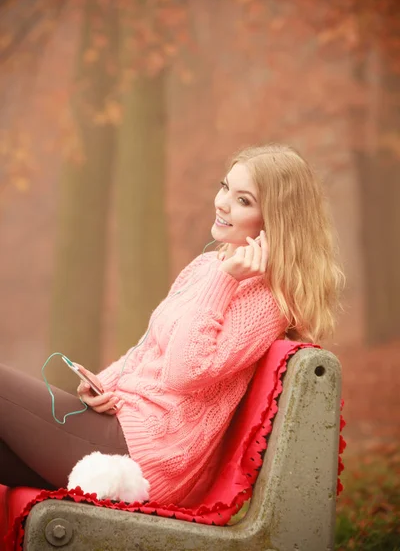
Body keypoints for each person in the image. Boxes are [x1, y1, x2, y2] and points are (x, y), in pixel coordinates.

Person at [0, 143, 344, 505]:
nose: (222, 203)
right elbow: (149, 348)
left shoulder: (267, 302)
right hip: (120, 426)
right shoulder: (206, 268)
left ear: (275, 221)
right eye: (225, 187)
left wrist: (225, 281)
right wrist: (103, 385)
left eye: (243, 200)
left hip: (144, 458)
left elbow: (184, 371)